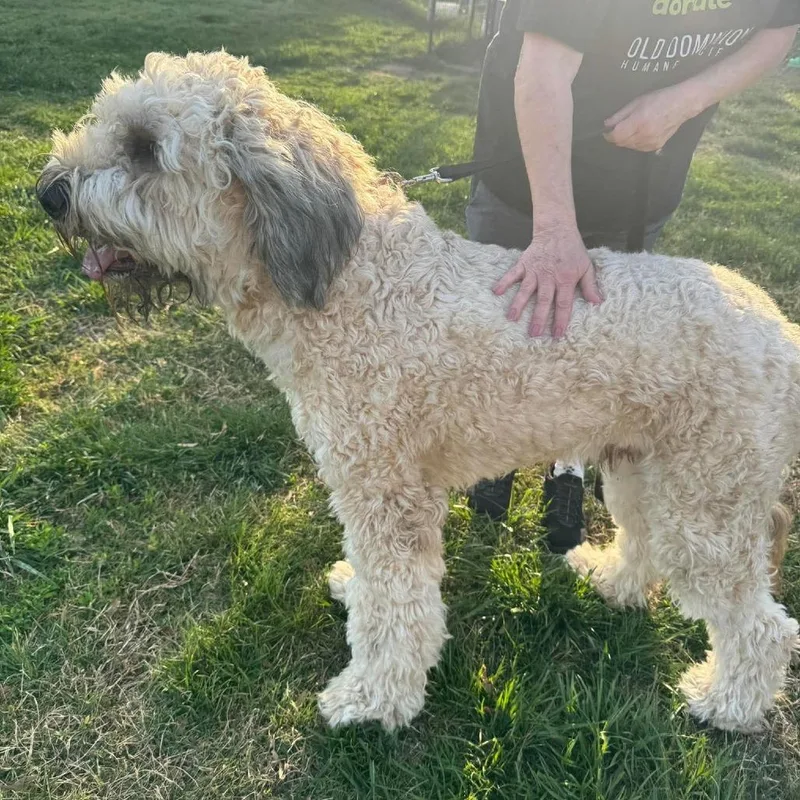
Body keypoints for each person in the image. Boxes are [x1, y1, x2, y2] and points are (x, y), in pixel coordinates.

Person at [466, 0, 800, 553]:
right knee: (504, 327)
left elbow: (778, 32)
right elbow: (545, 69)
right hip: (529, 174)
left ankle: (568, 465)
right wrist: (553, 230)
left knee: (599, 348)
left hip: (642, 179)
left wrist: (683, 101)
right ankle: (491, 452)